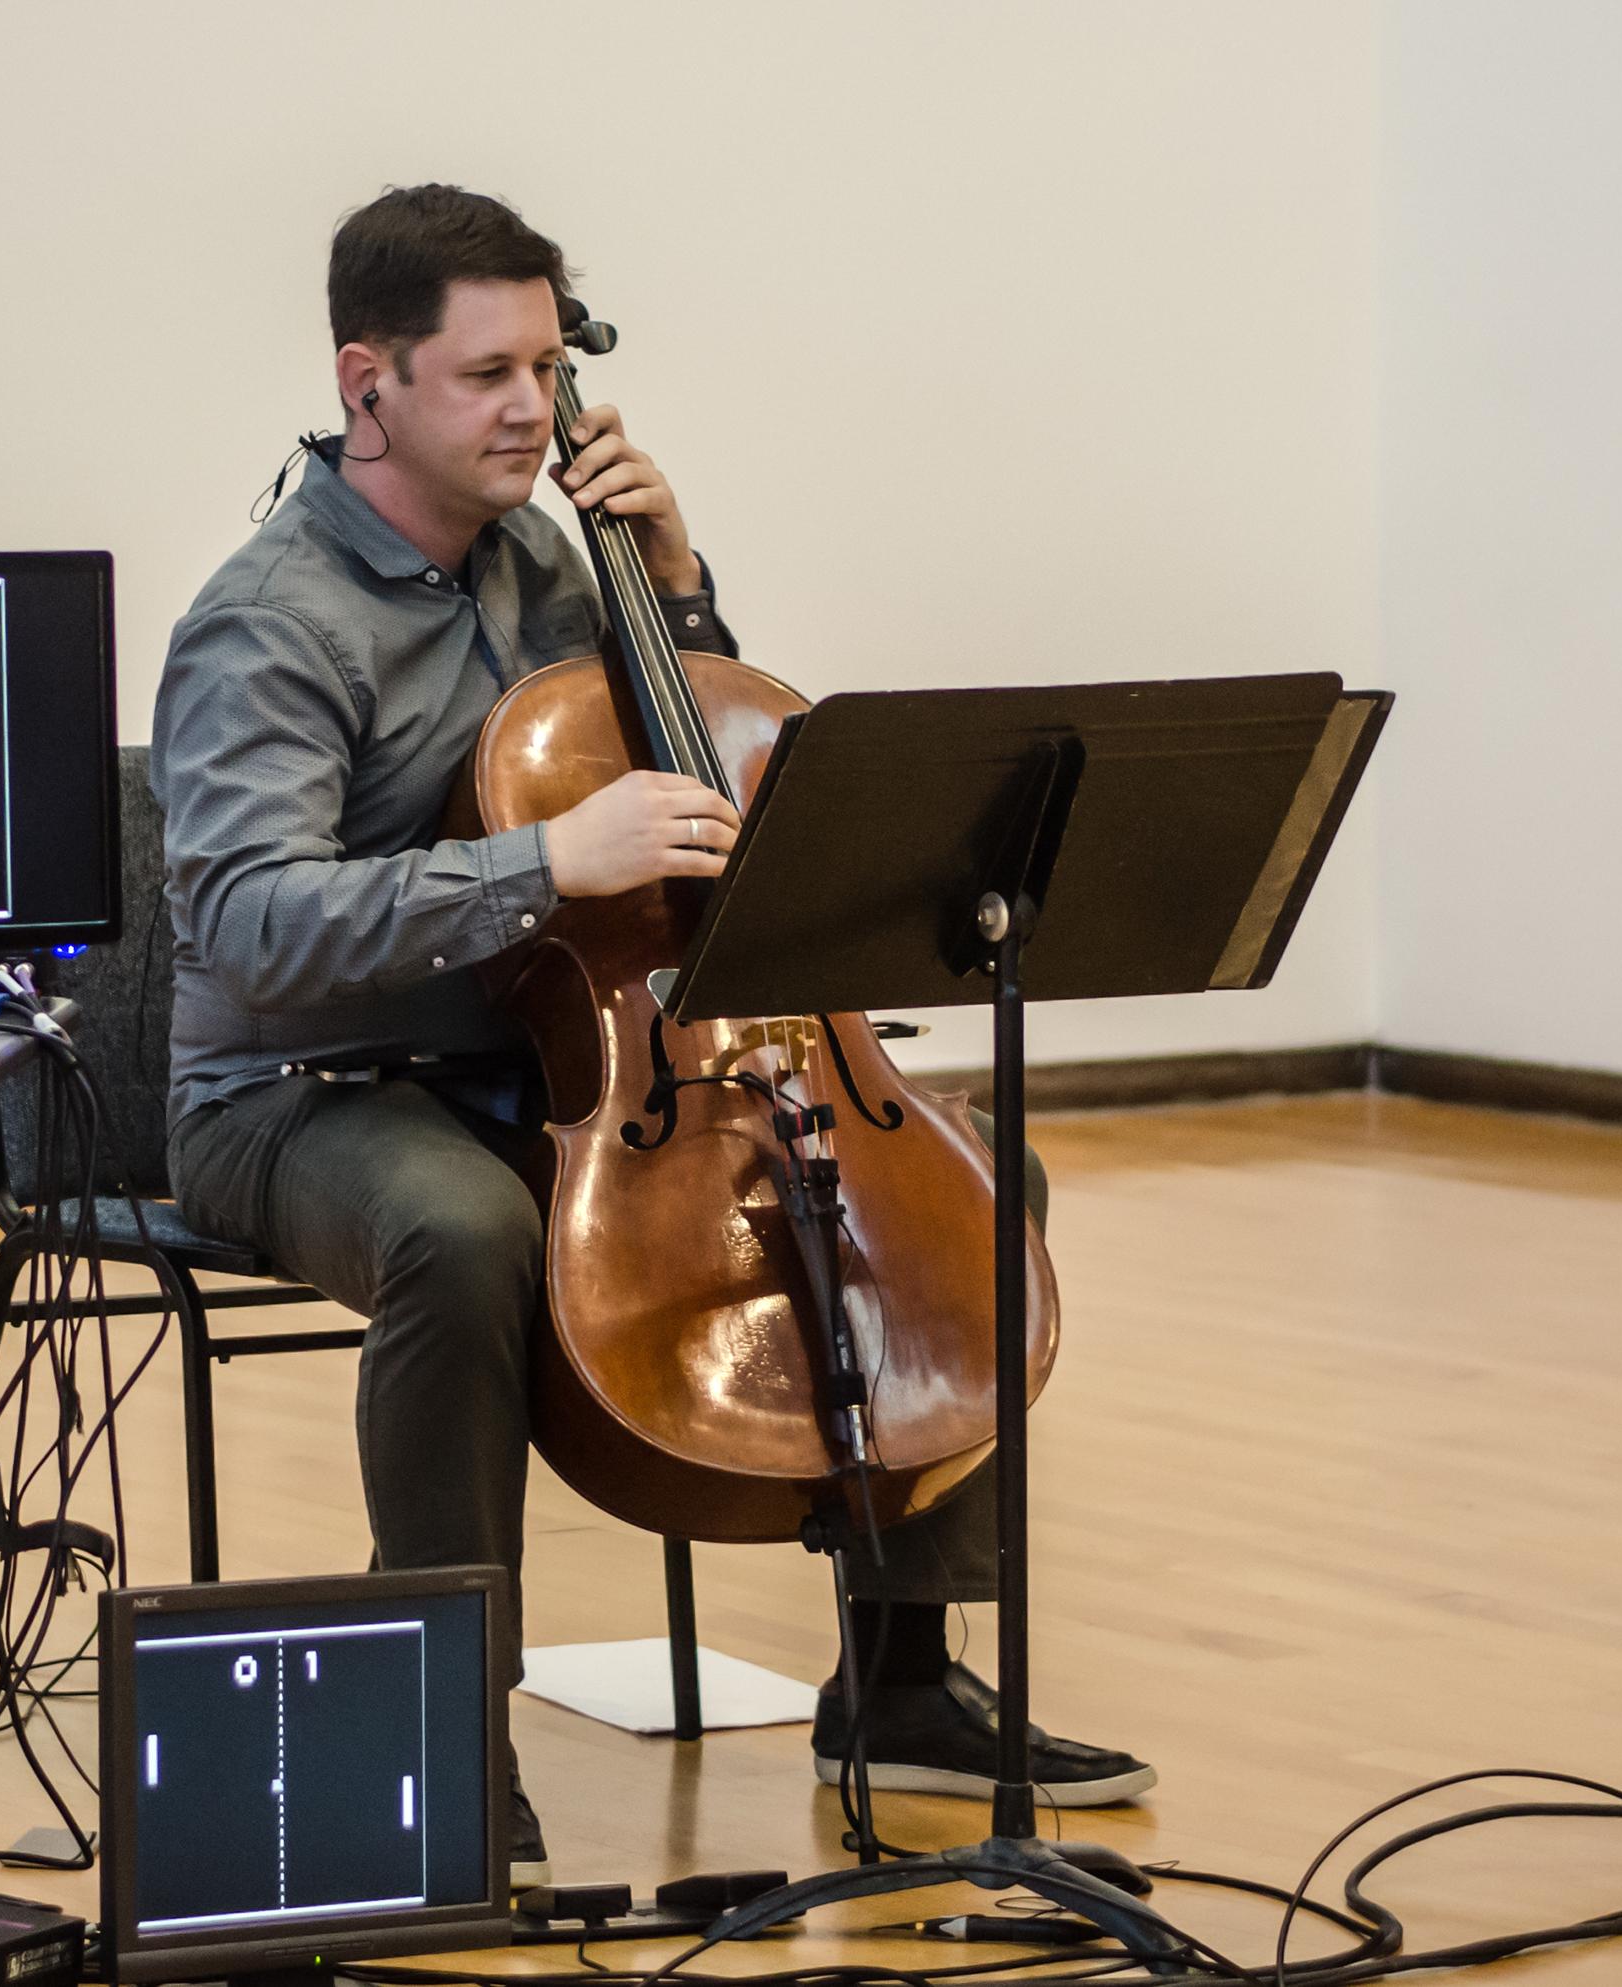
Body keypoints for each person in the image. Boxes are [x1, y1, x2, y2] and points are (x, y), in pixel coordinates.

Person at [152, 184, 1151, 1880]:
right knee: (461, 1234)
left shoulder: (558, 558)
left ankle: (901, 1679)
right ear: (366, 384)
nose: (533, 408)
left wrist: (681, 595)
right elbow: (247, 920)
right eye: (485, 374)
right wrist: (540, 863)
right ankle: (443, 1728)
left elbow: (722, 779)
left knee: (977, 1185)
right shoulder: (270, 622)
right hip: (303, 1086)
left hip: (553, 1061)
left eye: (548, 363)